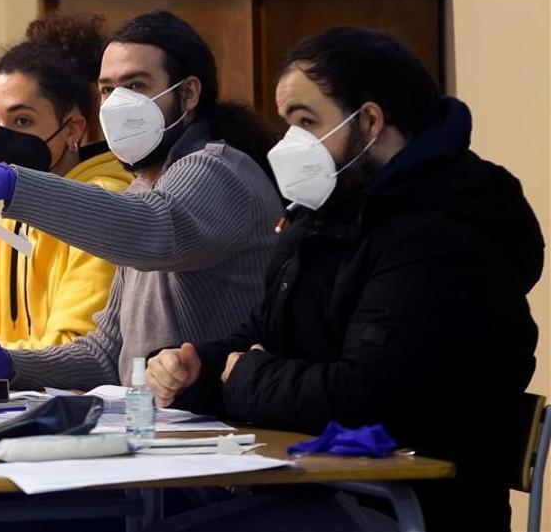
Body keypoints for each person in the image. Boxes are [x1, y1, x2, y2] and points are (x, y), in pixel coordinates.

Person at [146, 28, 542, 532]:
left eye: (307, 122)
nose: (290, 143)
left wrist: (244, 375)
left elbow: (370, 396)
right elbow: (263, 338)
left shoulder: (441, 236)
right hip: (320, 487)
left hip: (406, 507)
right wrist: (195, 368)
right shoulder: (326, 219)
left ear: (370, 121)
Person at [0, 11, 280, 392]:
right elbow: (104, 356)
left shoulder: (218, 169)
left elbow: (156, 228)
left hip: (228, 431)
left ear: (188, 94)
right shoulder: (142, 189)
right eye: (107, 90)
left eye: (136, 85)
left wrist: (16, 185)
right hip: (164, 429)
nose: (118, 103)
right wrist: (10, 365)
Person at [0, 14, 132, 350]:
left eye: (22, 120)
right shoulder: (9, 216)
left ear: (72, 128)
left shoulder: (101, 204)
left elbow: (74, 345)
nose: (2, 138)